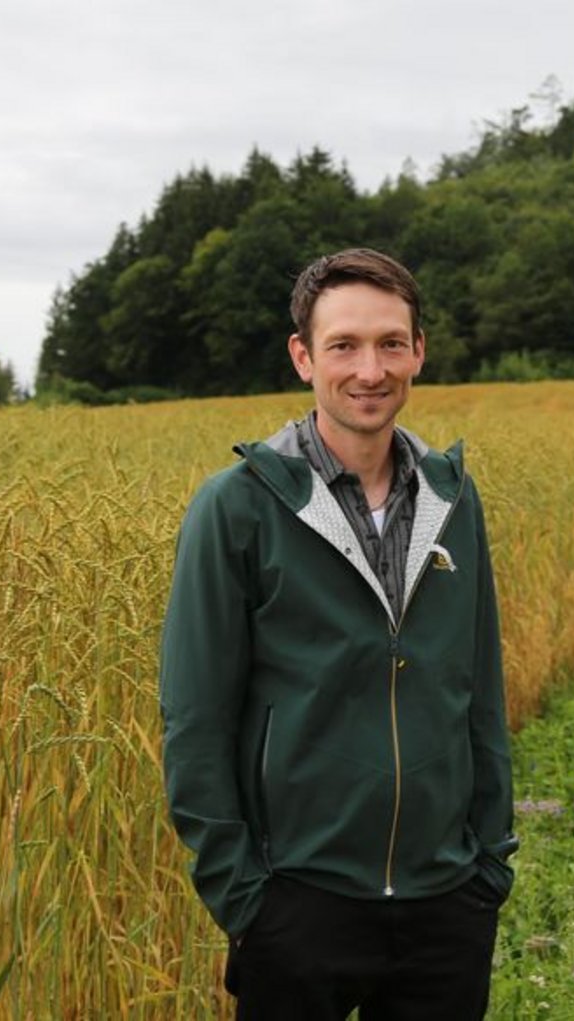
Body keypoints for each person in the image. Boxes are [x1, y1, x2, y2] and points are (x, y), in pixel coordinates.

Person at [159, 248, 516, 1019]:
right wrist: (247, 899)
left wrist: (489, 863)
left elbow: (479, 686)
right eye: (344, 345)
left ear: (419, 350)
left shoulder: (455, 499)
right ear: (302, 356)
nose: (370, 369)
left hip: (446, 904)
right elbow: (195, 719)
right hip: (298, 906)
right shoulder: (237, 508)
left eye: (391, 343)